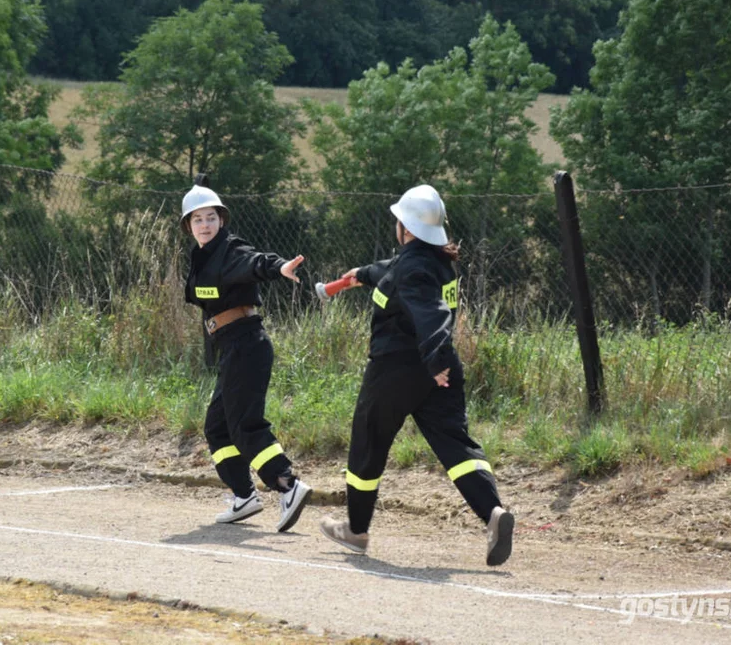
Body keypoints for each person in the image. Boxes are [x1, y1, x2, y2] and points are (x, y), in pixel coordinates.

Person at [318, 184, 514, 566]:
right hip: (436, 371)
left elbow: (432, 313)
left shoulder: (414, 269)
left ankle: (356, 531)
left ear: (405, 228)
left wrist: (435, 359)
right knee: (456, 445)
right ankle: (493, 514)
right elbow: (393, 272)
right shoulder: (433, 261)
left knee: (368, 444)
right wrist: (361, 274)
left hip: (398, 370)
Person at [181, 184, 313, 532]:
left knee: (244, 425)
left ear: (221, 220)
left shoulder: (229, 249)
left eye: (211, 217)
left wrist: (279, 267)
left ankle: (288, 485)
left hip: (247, 344)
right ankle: (243, 496)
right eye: (198, 219)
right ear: (188, 225)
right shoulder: (203, 258)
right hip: (231, 348)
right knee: (217, 427)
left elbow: (256, 262)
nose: (205, 224)